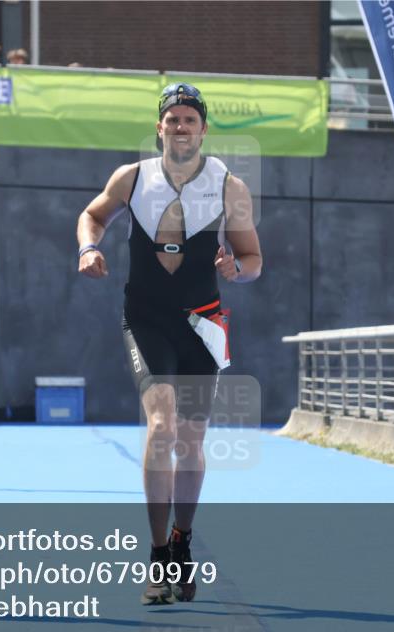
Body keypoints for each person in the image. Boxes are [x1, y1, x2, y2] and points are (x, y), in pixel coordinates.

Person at [76, 82, 262, 605]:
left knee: (191, 441)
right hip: (146, 319)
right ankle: (159, 554)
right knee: (162, 428)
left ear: (203, 129)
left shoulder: (230, 188)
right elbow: (92, 216)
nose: (181, 127)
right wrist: (88, 248)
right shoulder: (132, 178)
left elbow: (253, 260)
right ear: (159, 127)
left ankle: (182, 539)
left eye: (190, 120)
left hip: (202, 324)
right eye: (173, 119)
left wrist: (237, 269)